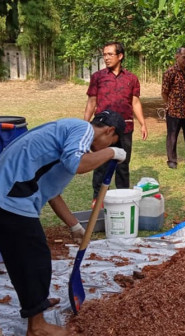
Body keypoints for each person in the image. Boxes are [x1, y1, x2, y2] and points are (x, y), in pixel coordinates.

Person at [0, 111, 127, 336]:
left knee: (24, 262)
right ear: (109, 131)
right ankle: (37, 326)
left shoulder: (69, 143)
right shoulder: (82, 130)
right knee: (34, 261)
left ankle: (36, 309)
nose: (108, 147)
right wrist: (111, 153)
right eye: (112, 141)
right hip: (9, 200)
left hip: (11, 198)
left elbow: (52, 194)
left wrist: (74, 226)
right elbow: (77, 164)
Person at [84, 41, 148, 204]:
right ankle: (97, 199)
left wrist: (143, 123)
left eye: (110, 54)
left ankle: (123, 199)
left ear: (120, 56)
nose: (106, 58)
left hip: (125, 127)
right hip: (102, 130)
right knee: (100, 164)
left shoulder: (131, 79)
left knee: (123, 164)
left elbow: (135, 102)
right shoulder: (97, 77)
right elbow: (92, 102)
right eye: (104, 54)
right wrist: (85, 125)